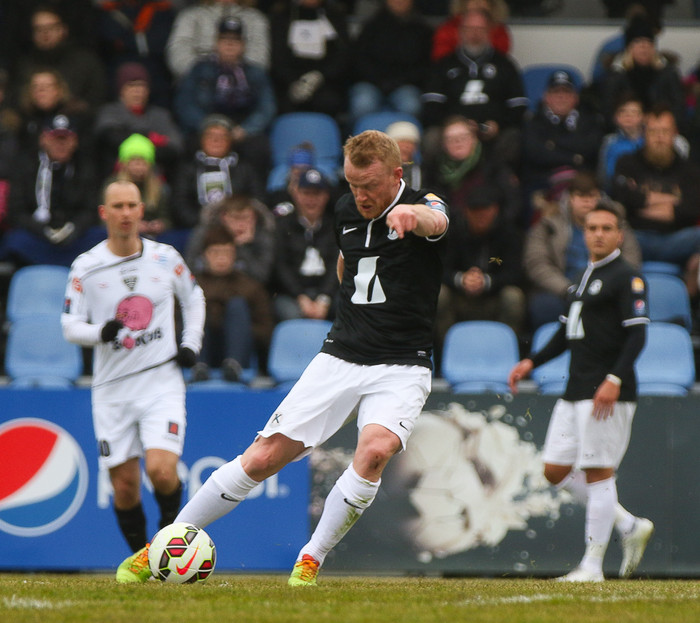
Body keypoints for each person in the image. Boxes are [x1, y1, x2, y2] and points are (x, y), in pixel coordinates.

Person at [114, 129, 449, 585]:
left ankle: (311, 558)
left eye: (370, 186)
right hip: (343, 355)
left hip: (403, 363)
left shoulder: (423, 202)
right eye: (352, 185)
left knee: (375, 451)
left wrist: (414, 215)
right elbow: (348, 263)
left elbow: (436, 221)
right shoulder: (346, 210)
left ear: (396, 174)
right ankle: (162, 544)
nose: (361, 196)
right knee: (263, 457)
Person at [61, 180, 205, 583]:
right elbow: (69, 325)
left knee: (162, 470)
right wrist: (99, 332)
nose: (125, 213)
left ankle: (168, 551)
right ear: (104, 213)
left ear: (142, 210)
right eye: (117, 206)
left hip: (161, 382)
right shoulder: (86, 266)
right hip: (112, 391)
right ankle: (145, 560)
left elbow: (194, 298)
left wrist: (190, 343)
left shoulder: (166, 257)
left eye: (131, 205)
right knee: (124, 486)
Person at [509, 200, 653, 582]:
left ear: (619, 235)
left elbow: (638, 335)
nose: (598, 235)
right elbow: (565, 331)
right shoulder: (581, 276)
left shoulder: (628, 277)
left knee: (598, 473)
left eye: (607, 228)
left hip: (606, 391)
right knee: (555, 470)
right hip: (575, 389)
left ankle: (592, 566)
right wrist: (532, 361)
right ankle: (628, 525)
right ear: (583, 233)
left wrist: (614, 379)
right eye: (592, 228)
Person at [524, 170, 641, 331]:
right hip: (562, 290)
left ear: (600, 198)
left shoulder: (617, 224)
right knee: (544, 306)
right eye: (581, 196)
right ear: (570, 198)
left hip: (606, 290)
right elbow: (537, 263)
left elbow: (631, 260)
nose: (587, 201)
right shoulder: (548, 225)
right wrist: (568, 290)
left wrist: (606, 288)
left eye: (592, 196)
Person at [173, 15, 276, 186]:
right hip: (207, 123)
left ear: (243, 45)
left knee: (259, 147)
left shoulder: (256, 73)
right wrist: (209, 128)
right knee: (188, 145)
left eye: (235, 40)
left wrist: (245, 129)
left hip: (241, 127)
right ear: (215, 43)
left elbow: (267, 108)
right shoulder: (199, 70)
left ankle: (254, 197)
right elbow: (185, 104)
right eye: (224, 39)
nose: (230, 44)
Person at [422, 8, 527, 167]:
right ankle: (438, 180)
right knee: (431, 138)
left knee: (514, 137)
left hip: (493, 132)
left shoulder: (505, 65)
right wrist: (454, 125)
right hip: (453, 130)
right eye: (469, 28)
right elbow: (431, 107)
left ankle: (503, 180)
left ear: (489, 32)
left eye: (480, 29)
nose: (474, 34)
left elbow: (519, 107)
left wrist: (498, 125)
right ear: (460, 31)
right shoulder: (444, 65)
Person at [435, 183, 526, 359]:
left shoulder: (509, 233)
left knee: (513, 297)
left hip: (494, 296)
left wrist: (487, 281)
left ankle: (503, 353)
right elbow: (438, 268)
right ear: (466, 211)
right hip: (459, 297)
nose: (480, 215)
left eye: (485, 210)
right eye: (475, 210)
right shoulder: (452, 232)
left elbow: (515, 272)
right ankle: (449, 354)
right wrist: (460, 279)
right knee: (439, 295)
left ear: (495, 210)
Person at [0, 113, 103, 267]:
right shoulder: (25, 166)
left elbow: (90, 209)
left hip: (75, 238)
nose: (60, 144)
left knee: (101, 236)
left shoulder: (85, 167)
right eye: (55, 139)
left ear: (75, 141)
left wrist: (73, 228)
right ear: (43, 139)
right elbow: (16, 211)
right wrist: (41, 230)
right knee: (14, 240)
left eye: (65, 139)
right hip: (36, 237)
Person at [611, 104, 700, 270]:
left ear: (675, 134)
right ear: (644, 134)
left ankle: (691, 283)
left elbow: (692, 209)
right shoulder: (627, 163)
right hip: (636, 238)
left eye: (665, 131)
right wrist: (674, 201)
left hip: (677, 240)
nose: (659, 137)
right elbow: (621, 196)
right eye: (653, 132)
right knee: (612, 234)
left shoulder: (690, 169)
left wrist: (641, 204)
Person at [192, 224, 274, 382]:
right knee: (199, 307)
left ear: (235, 255)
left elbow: (265, 329)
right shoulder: (191, 286)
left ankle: (233, 365)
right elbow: (177, 324)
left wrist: (238, 328)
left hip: (239, 348)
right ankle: (199, 367)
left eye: (227, 252)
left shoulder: (250, 286)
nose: (221, 258)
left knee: (237, 306)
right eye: (215, 252)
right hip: (202, 347)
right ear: (205, 255)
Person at [520, 69, 605, 221]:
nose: (561, 97)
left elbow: (591, 148)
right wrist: (575, 156)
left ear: (575, 98)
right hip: (543, 183)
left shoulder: (591, 120)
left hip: (582, 183)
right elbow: (536, 154)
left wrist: (552, 145)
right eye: (556, 92)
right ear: (546, 97)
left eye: (566, 92)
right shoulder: (532, 122)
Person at [93, 62, 184, 184]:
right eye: (131, 86)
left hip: (155, 181)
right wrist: (151, 138)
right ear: (121, 90)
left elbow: (175, 146)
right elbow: (111, 138)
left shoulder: (160, 115)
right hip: (117, 180)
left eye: (142, 86)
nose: (137, 91)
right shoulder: (110, 112)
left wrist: (134, 140)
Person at [423, 114, 521, 228]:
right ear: (443, 144)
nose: (458, 142)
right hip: (449, 231)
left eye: (463, 137)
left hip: (492, 231)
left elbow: (512, 203)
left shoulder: (493, 165)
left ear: (474, 139)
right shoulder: (434, 171)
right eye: (451, 139)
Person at [171, 114, 263, 231]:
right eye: (210, 135)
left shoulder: (245, 168)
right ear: (201, 139)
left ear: (231, 141)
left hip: (239, 227)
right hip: (198, 228)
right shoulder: (188, 169)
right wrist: (201, 223)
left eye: (222, 136)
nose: (216, 140)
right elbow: (180, 203)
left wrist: (237, 222)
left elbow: (257, 200)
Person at [348, 0, 433, 126]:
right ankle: (360, 138)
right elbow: (359, 59)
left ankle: (405, 139)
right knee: (362, 105)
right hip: (371, 82)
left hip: (406, 84)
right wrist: (378, 80)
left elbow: (425, 66)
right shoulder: (371, 26)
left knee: (411, 106)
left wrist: (400, 81)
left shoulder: (423, 30)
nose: (399, 1)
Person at [11, 5, 106, 114]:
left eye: (50, 28)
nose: (45, 33)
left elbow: (97, 101)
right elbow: (16, 101)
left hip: (77, 120)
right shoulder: (23, 65)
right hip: (32, 120)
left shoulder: (86, 62)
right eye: (39, 29)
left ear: (63, 30)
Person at [272, 167, 339, 321]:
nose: (311, 200)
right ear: (296, 194)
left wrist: (324, 298)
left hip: (328, 293)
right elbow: (281, 266)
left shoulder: (334, 226)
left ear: (326, 196)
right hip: (292, 294)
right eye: (306, 193)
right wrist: (300, 296)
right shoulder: (282, 226)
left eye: (317, 194)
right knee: (292, 315)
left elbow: (337, 264)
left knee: (349, 309)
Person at [599, 14, 684, 132]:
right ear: (629, 48)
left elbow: (679, 108)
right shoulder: (615, 76)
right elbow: (608, 112)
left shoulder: (668, 74)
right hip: (625, 132)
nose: (644, 47)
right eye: (638, 42)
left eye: (649, 43)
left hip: (662, 131)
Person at [268, 0, 352, 119]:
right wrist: (293, 81)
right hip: (289, 83)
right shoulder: (282, 16)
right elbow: (277, 57)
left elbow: (343, 55)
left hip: (326, 81)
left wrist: (320, 76)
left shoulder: (335, 15)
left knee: (329, 101)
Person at [166, 0, 271, 80]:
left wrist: (233, 75)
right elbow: (178, 52)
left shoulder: (255, 19)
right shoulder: (191, 16)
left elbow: (259, 58)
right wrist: (205, 74)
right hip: (197, 83)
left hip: (244, 84)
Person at [431, 0, 511, 62]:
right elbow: (441, 58)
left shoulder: (499, 31)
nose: (478, 4)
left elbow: (499, 59)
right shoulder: (448, 29)